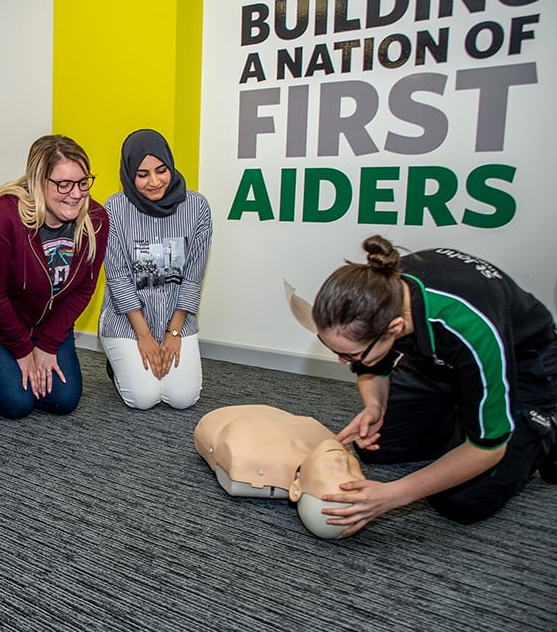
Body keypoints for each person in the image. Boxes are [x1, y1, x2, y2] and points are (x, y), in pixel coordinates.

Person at [312, 235, 557, 537]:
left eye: (349, 354)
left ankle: (542, 431)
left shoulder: (470, 327)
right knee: (378, 446)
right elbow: (370, 364)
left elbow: (487, 449)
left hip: (523, 366)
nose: (341, 361)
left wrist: (394, 495)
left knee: (460, 500)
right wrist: (376, 406)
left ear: (395, 328)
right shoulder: (380, 293)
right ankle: (464, 419)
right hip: (442, 364)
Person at [0, 135, 108, 419]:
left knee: (64, 400)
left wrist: (48, 345)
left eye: (82, 182)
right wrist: (23, 351)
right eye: (63, 184)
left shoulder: (97, 219)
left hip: (43, 325)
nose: (75, 194)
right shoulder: (5, 216)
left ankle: (10, 368)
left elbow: (84, 290)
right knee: (17, 402)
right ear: (39, 182)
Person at [99, 129, 213, 409]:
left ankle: (138, 361)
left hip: (177, 316)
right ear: (129, 174)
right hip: (128, 318)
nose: (154, 182)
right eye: (142, 174)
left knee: (183, 398)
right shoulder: (114, 209)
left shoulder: (196, 207)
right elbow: (118, 278)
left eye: (161, 170)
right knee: (143, 398)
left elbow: (193, 278)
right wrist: (144, 335)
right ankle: (117, 364)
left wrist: (174, 333)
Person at [194, 405, 366, 539]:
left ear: (296, 490)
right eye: (354, 473)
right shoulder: (334, 446)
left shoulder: (246, 455)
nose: (343, 461)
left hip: (221, 418)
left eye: (337, 473)